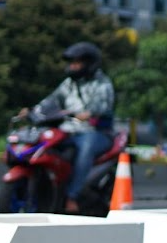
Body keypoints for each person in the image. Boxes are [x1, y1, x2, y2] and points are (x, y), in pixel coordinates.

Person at [30, 41, 115, 214]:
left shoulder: (102, 83)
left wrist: (90, 113)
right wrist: (34, 110)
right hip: (68, 130)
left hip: (95, 133)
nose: (73, 66)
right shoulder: (68, 83)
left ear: (89, 63)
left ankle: (72, 196)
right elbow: (51, 100)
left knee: (85, 148)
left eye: (77, 62)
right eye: (71, 62)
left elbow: (104, 105)